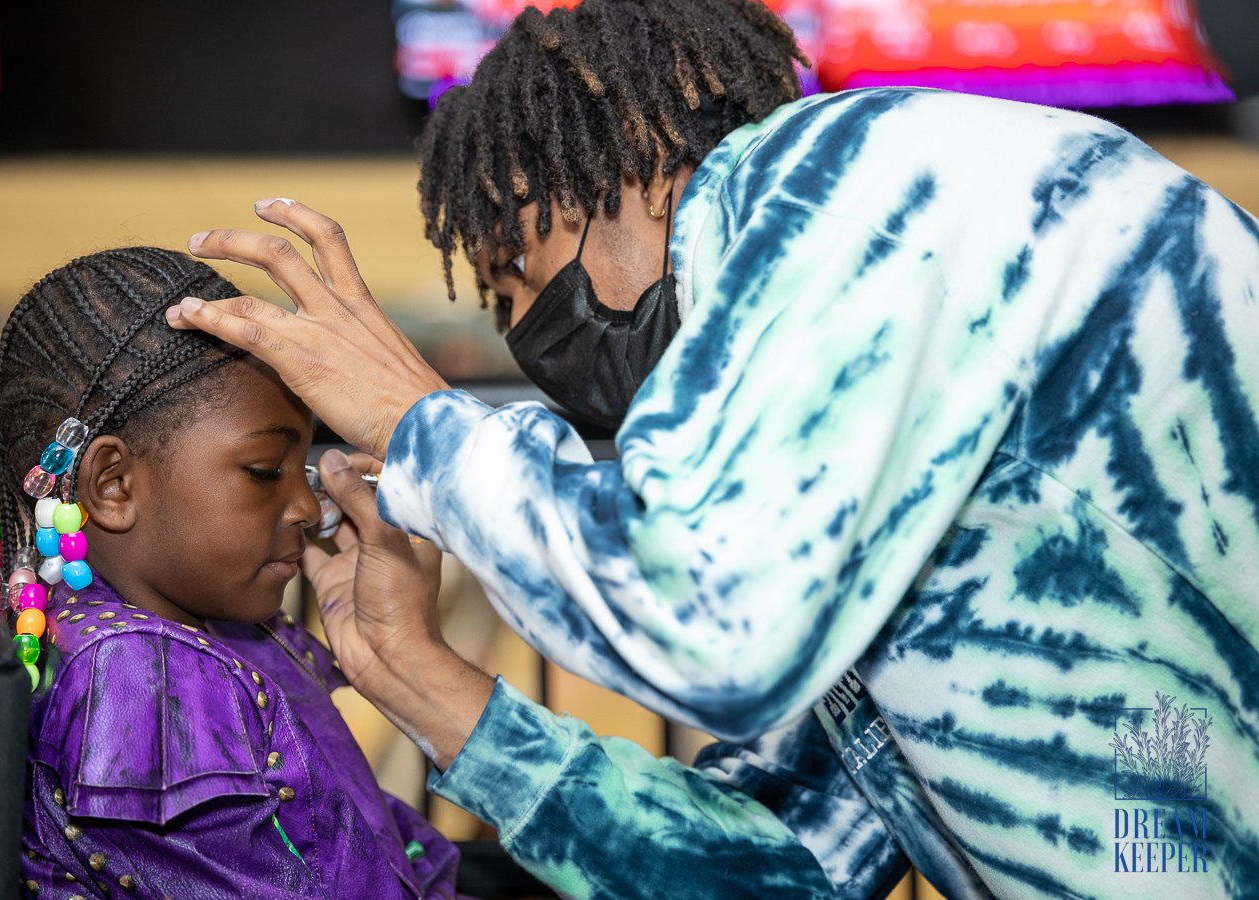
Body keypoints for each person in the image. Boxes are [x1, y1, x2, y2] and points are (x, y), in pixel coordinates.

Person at [168, 0, 1259, 896]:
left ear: (632, 153)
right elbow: (786, 868)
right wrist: (425, 680)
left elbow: (713, 624)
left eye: (516, 281)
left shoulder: (859, 181)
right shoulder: (859, 454)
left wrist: (420, 421)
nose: (528, 339)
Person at [0, 248, 461, 898]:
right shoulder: (142, 679)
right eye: (264, 471)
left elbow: (384, 847)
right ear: (113, 486)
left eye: (303, 469)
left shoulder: (193, 635)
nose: (306, 508)